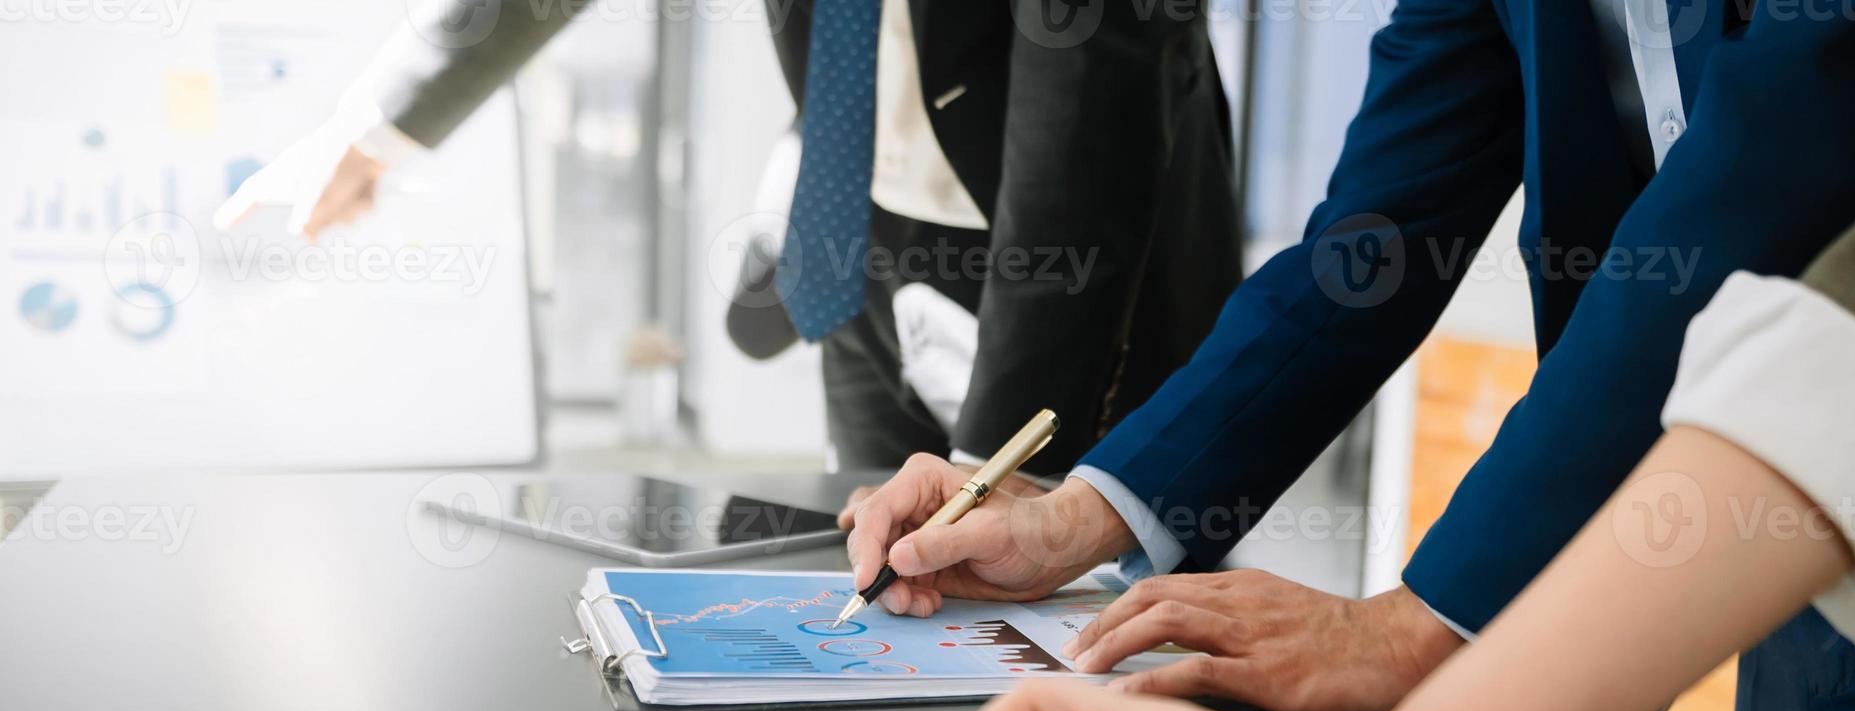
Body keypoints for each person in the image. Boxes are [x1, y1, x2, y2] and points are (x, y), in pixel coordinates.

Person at [904, 25, 1855, 711]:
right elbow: (1377, 226)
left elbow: (1786, 210)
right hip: (1762, 521)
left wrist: (1417, 643)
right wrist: (1086, 513)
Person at [215, 0, 1243, 470]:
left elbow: (1080, 125)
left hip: (1075, 248)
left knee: (1083, 610)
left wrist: (993, 470)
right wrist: (373, 131)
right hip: (856, 222)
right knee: (885, 571)